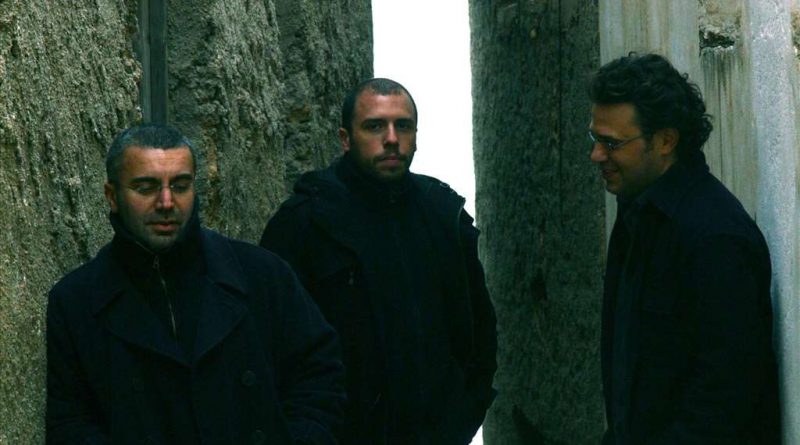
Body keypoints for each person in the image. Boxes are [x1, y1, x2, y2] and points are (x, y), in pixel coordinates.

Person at [46, 124, 345, 445]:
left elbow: (320, 378)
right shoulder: (78, 300)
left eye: (180, 185)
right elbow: (70, 422)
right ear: (112, 196)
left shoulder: (262, 274)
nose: (166, 202)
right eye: (146, 188)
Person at [260, 78, 497, 445]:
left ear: (416, 136)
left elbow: (478, 327)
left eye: (403, 126)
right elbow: (269, 342)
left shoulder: (443, 215)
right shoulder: (305, 223)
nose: (391, 138)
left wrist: (466, 412)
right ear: (345, 138)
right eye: (374, 126)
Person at [589, 53, 780, 444]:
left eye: (612, 143)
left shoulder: (715, 237)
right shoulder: (637, 213)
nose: (596, 155)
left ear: (665, 141)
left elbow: (725, 398)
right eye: (595, 139)